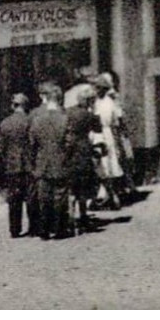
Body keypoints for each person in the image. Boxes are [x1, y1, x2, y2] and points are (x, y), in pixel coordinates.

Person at [27, 83, 71, 239]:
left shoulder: (37, 120)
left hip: (42, 164)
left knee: (44, 197)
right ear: (58, 100)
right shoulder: (64, 119)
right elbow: (69, 143)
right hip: (60, 163)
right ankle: (60, 229)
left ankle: (44, 230)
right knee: (60, 196)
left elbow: (32, 144)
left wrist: (34, 163)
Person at [63, 82, 103, 232]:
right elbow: (98, 129)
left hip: (69, 153)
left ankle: (71, 217)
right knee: (83, 188)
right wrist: (94, 110)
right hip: (83, 153)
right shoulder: (88, 115)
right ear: (88, 101)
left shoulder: (67, 112)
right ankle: (83, 216)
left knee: (71, 187)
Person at [0, 92, 34, 238]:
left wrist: (7, 159)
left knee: (14, 199)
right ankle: (34, 227)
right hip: (28, 164)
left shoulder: (5, 123)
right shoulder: (30, 121)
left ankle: (15, 229)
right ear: (25, 106)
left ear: (14, 105)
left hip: (12, 165)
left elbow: (1, 147)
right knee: (31, 198)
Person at [90, 74, 126, 208]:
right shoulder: (97, 102)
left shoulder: (106, 103)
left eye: (97, 88)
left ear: (102, 89)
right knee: (102, 165)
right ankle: (106, 195)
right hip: (102, 133)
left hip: (103, 133)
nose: (95, 90)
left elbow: (111, 120)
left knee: (104, 164)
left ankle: (110, 195)